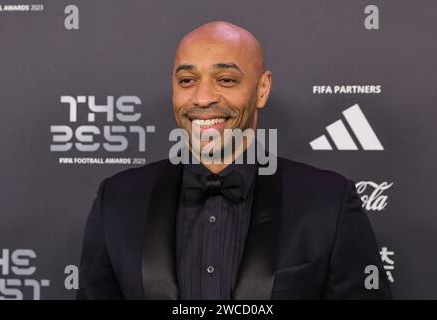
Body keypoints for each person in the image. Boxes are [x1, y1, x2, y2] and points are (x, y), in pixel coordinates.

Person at [77, 21, 391, 300]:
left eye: (225, 80)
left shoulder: (329, 202)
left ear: (262, 89)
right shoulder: (116, 200)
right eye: (187, 80)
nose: (202, 98)